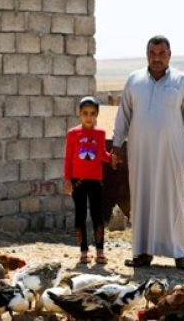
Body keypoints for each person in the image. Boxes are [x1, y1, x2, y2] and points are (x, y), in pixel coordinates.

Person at [111, 35, 184, 270]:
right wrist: (116, 144)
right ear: (147, 55)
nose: (157, 58)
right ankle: (142, 253)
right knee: (141, 196)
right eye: (152, 54)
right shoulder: (134, 80)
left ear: (169, 55)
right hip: (140, 151)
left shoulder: (182, 81)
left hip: (172, 151)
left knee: (174, 198)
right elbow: (123, 115)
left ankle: (179, 253)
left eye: (162, 54)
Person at [64, 96, 113, 264]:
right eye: (85, 113)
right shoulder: (73, 134)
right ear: (79, 114)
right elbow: (69, 157)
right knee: (80, 214)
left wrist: (112, 158)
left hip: (96, 180)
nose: (88, 117)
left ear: (97, 114)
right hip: (78, 181)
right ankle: (83, 251)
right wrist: (67, 179)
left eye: (92, 113)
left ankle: (100, 252)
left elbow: (101, 155)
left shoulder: (100, 134)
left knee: (97, 215)